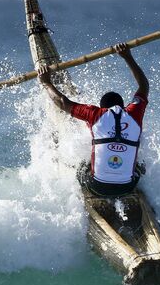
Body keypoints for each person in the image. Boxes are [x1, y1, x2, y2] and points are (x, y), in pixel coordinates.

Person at [37, 42, 149, 197]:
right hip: (127, 187)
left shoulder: (95, 114)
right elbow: (144, 85)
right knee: (141, 166)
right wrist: (127, 56)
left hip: (98, 187)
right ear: (123, 107)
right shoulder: (134, 113)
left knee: (81, 167)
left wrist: (46, 82)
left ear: (102, 107)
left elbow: (63, 103)